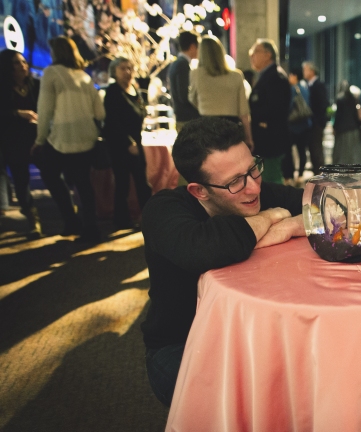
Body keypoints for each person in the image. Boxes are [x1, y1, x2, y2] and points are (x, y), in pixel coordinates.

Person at [141, 116, 305, 407]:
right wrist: (268, 217)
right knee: (239, 410)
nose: (254, 188)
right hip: (183, 343)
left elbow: (332, 204)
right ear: (199, 190)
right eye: (234, 182)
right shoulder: (164, 209)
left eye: (253, 169)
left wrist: (289, 226)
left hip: (258, 336)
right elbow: (207, 248)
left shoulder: (254, 188)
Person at [34, 36, 105, 242]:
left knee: (50, 175)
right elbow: (99, 113)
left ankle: (71, 220)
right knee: (84, 183)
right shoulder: (84, 76)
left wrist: (40, 139)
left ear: (55, 52)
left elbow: (44, 110)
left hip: (62, 138)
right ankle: (90, 228)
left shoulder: (51, 73)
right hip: (87, 136)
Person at [102, 57, 153, 230]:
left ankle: (149, 218)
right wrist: (127, 142)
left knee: (142, 183)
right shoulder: (112, 92)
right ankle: (121, 219)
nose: (128, 72)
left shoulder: (134, 90)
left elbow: (141, 113)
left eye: (130, 68)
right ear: (114, 72)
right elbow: (112, 122)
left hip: (136, 141)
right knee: (122, 183)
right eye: (123, 68)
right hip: (120, 144)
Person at [0, 49, 42, 238]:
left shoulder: (36, 85)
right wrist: (18, 113)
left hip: (38, 138)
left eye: (24, 62)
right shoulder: (3, 88)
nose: (23, 66)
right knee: (21, 180)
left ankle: (69, 213)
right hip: (13, 141)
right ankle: (33, 220)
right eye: (17, 63)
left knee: (53, 174)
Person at [189, 35, 253, 150]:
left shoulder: (196, 74)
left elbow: (192, 99)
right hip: (231, 126)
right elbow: (244, 112)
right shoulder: (236, 76)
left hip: (207, 126)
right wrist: (249, 138)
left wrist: (204, 107)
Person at [248, 38, 291, 183]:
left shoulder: (276, 77)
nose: (251, 56)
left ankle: (277, 205)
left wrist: (257, 119)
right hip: (266, 138)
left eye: (255, 52)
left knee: (271, 179)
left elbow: (275, 110)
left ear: (268, 55)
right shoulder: (266, 76)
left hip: (271, 139)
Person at [282, 68, 311, 186]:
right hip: (305, 124)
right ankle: (300, 175)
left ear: (294, 76)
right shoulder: (305, 88)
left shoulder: (292, 89)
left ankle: (288, 176)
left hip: (292, 125)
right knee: (302, 150)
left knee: (288, 152)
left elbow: (288, 107)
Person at [168, 31, 200, 132]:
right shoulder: (182, 64)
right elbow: (184, 95)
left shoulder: (177, 63)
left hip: (182, 117)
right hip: (186, 118)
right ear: (192, 46)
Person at [302, 61, 328, 174]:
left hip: (316, 123)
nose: (304, 72)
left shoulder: (318, 84)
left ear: (312, 71)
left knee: (316, 149)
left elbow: (323, 104)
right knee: (313, 149)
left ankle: (320, 175)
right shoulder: (310, 85)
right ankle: (317, 173)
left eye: (305, 70)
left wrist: (319, 122)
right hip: (313, 123)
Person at [332, 81, 361, 165]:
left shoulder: (339, 98)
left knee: (342, 153)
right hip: (354, 129)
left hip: (342, 130)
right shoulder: (353, 98)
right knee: (354, 153)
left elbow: (338, 116)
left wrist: (334, 127)